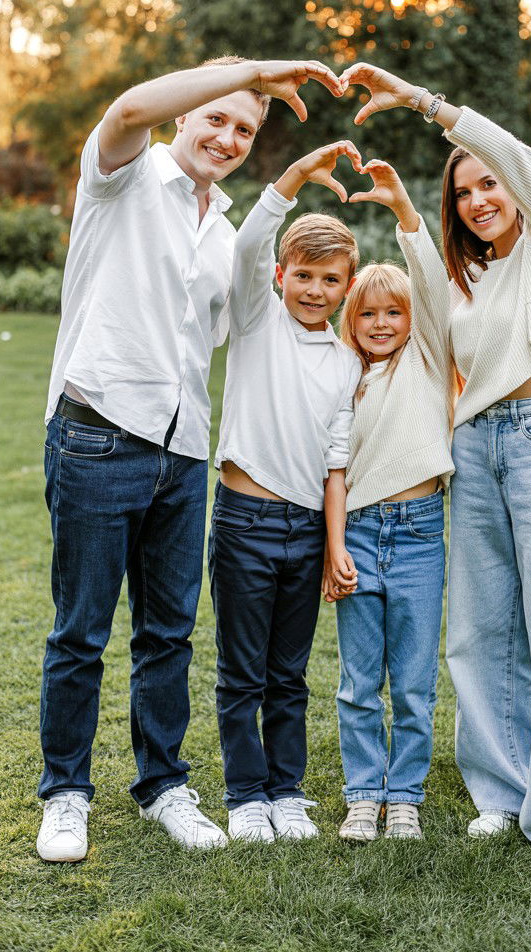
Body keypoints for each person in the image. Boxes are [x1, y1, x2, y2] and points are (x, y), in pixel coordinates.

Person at [36, 56, 343, 863]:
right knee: (81, 633)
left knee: (168, 635)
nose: (229, 136)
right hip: (98, 432)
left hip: (182, 454)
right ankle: (65, 795)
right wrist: (253, 71)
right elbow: (130, 102)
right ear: (187, 116)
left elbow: (244, 323)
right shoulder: (122, 178)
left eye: (245, 129)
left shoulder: (226, 235)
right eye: (217, 117)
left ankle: (164, 785)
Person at [338, 63, 531, 875]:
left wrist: (426, 106)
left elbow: (522, 162)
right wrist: (412, 211)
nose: (479, 199)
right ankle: (499, 793)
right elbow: (425, 295)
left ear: (517, 185)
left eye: (490, 184)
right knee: (480, 635)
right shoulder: (470, 280)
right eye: (464, 193)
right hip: (478, 450)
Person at [210, 140, 363, 843]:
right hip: (243, 521)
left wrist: (331, 545)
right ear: (280, 275)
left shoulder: (342, 364)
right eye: (303, 275)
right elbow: (247, 244)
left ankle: (287, 791)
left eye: (330, 280)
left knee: (288, 673)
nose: (314, 290)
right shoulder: (256, 320)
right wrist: (298, 175)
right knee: (242, 670)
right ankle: (245, 794)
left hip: (306, 533)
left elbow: (337, 461)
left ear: (345, 288)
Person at [329, 158, 454, 842]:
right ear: (353, 321)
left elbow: (432, 287)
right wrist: (336, 546)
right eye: (369, 313)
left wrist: (405, 210)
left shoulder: (426, 359)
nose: (381, 323)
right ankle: (362, 795)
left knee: (410, 682)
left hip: (418, 535)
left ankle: (402, 793)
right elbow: (334, 472)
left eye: (393, 313)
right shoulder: (344, 378)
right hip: (359, 536)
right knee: (357, 682)